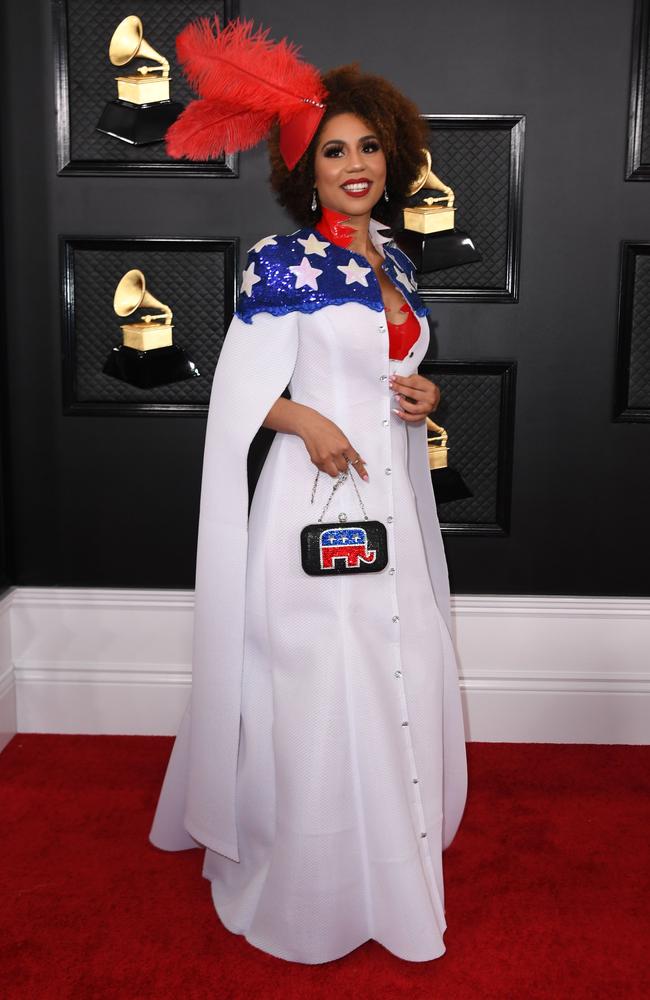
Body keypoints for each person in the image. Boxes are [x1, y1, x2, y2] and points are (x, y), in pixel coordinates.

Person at [149, 18, 468, 964]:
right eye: (335, 149)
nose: (356, 162)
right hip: (312, 504)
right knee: (321, 678)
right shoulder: (281, 262)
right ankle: (311, 880)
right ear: (305, 166)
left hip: (392, 510)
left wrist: (424, 391)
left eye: (370, 145)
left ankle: (389, 856)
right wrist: (308, 420)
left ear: (393, 155)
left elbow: (391, 361)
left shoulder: (399, 261)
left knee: (391, 664)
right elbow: (239, 393)